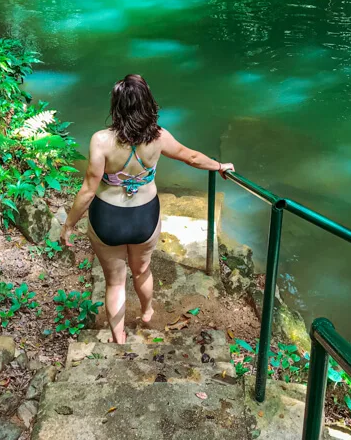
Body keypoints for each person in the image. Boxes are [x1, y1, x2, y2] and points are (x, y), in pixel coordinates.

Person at [61, 74, 234, 344]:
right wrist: (219, 166)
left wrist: (69, 224)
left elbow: (87, 191)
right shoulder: (159, 137)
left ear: (116, 106)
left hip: (108, 218)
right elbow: (191, 157)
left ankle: (118, 339)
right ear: (148, 105)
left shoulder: (101, 141)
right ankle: (146, 312)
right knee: (142, 271)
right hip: (144, 217)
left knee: (115, 282)